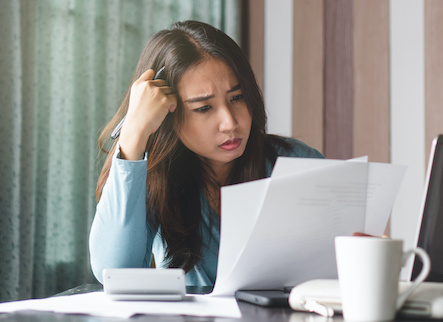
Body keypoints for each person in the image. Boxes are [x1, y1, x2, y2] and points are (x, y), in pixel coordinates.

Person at [89, 20, 324, 286]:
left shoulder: (298, 163)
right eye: (203, 108)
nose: (230, 123)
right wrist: (133, 134)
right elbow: (114, 272)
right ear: (167, 113)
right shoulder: (154, 179)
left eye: (237, 98)